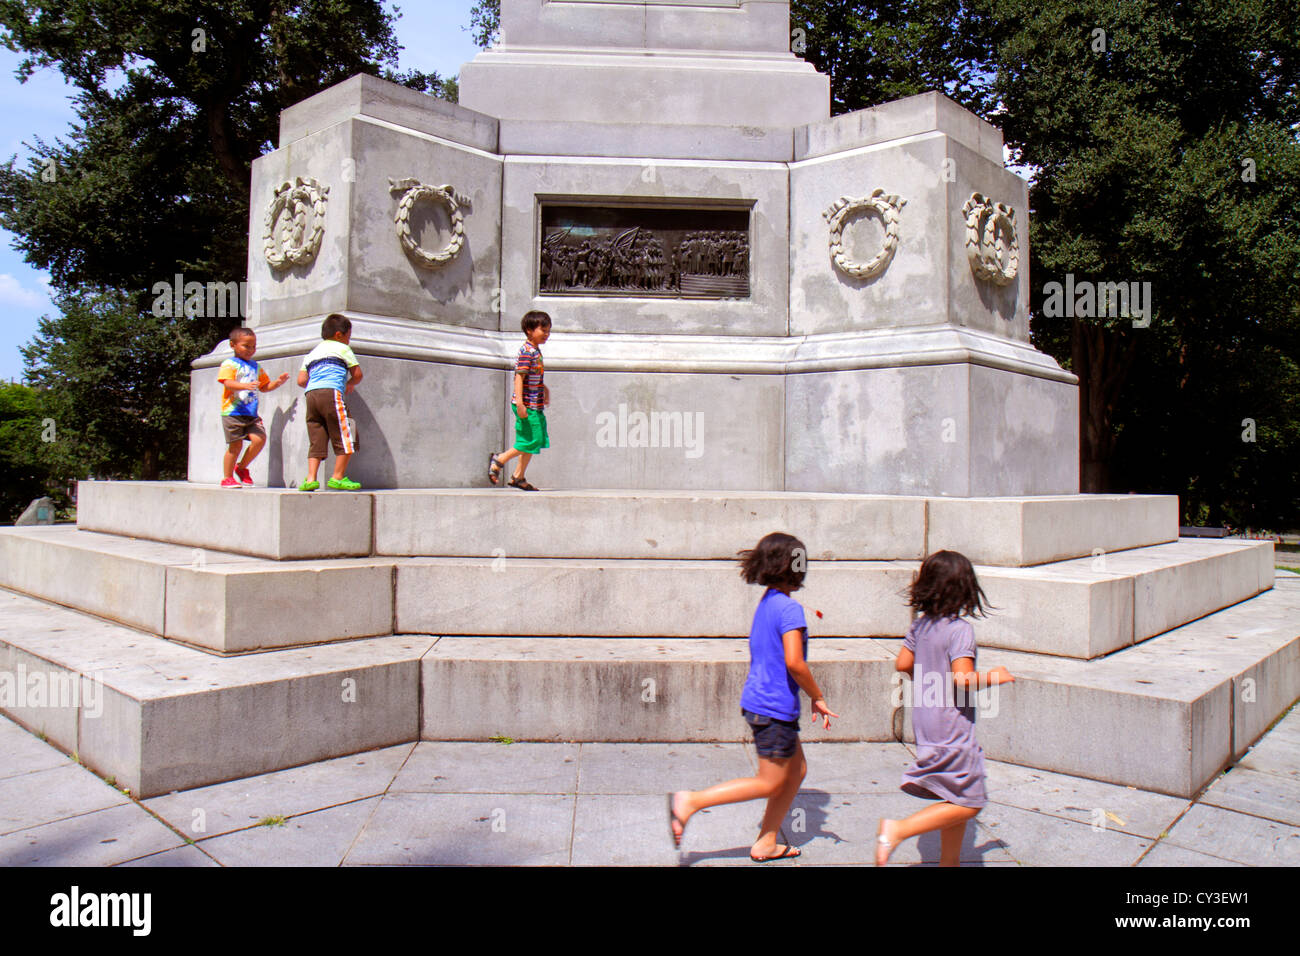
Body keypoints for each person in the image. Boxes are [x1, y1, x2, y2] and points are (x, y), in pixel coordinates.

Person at [668, 532, 838, 862]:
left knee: (796, 770)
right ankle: (690, 801)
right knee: (770, 782)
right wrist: (817, 695)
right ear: (795, 567)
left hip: (764, 704)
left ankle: (766, 840)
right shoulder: (790, 610)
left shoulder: (769, 602)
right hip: (773, 708)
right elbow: (794, 662)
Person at [876, 550, 1015, 866]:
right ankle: (898, 830)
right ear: (966, 589)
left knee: (952, 796)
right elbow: (964, 680)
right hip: (952, 725)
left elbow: (903, 663)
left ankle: (949, 862)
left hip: (925, 721)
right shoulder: (959, 630)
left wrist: (928, 681)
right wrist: (997, 675)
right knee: (971, 801)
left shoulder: (921, 625)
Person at [297, 313, 362, 491]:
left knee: (316, 436)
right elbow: (357, 375)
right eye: (348, 336)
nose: (349, 341)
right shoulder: (343, 349)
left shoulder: (311, 353)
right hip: (331, 393)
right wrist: (349, 384)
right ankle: (338, 476)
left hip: (311, 396)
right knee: (348, 431)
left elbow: (301, 380)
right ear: (339, 335)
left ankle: (311, 479)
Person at [217, 327, 288, 488]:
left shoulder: (255, 366)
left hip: (251, 413)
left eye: (253, 346)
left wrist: (277, 382)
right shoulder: (229, 364)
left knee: (259, 439)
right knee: (235, 446)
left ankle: (241, 468)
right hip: (233, 412)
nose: (250, 350)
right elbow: (227, 383)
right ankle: (227, 477)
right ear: (233, 345)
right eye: (246, 346)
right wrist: (244, 386)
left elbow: (264, 386)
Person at [488, 311, 551, 491]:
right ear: (529, 330)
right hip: (527, 405)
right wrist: (521, 404)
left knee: (530, 439)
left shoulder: (535, 351)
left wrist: (543, 388)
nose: (547, 334)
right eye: (543, 330)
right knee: (533, 439)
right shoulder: (526, 352)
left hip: (534, 404)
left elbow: (532, 376)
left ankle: (518, 476)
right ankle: (499, 460)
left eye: (548, 331)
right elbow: (519, 378)